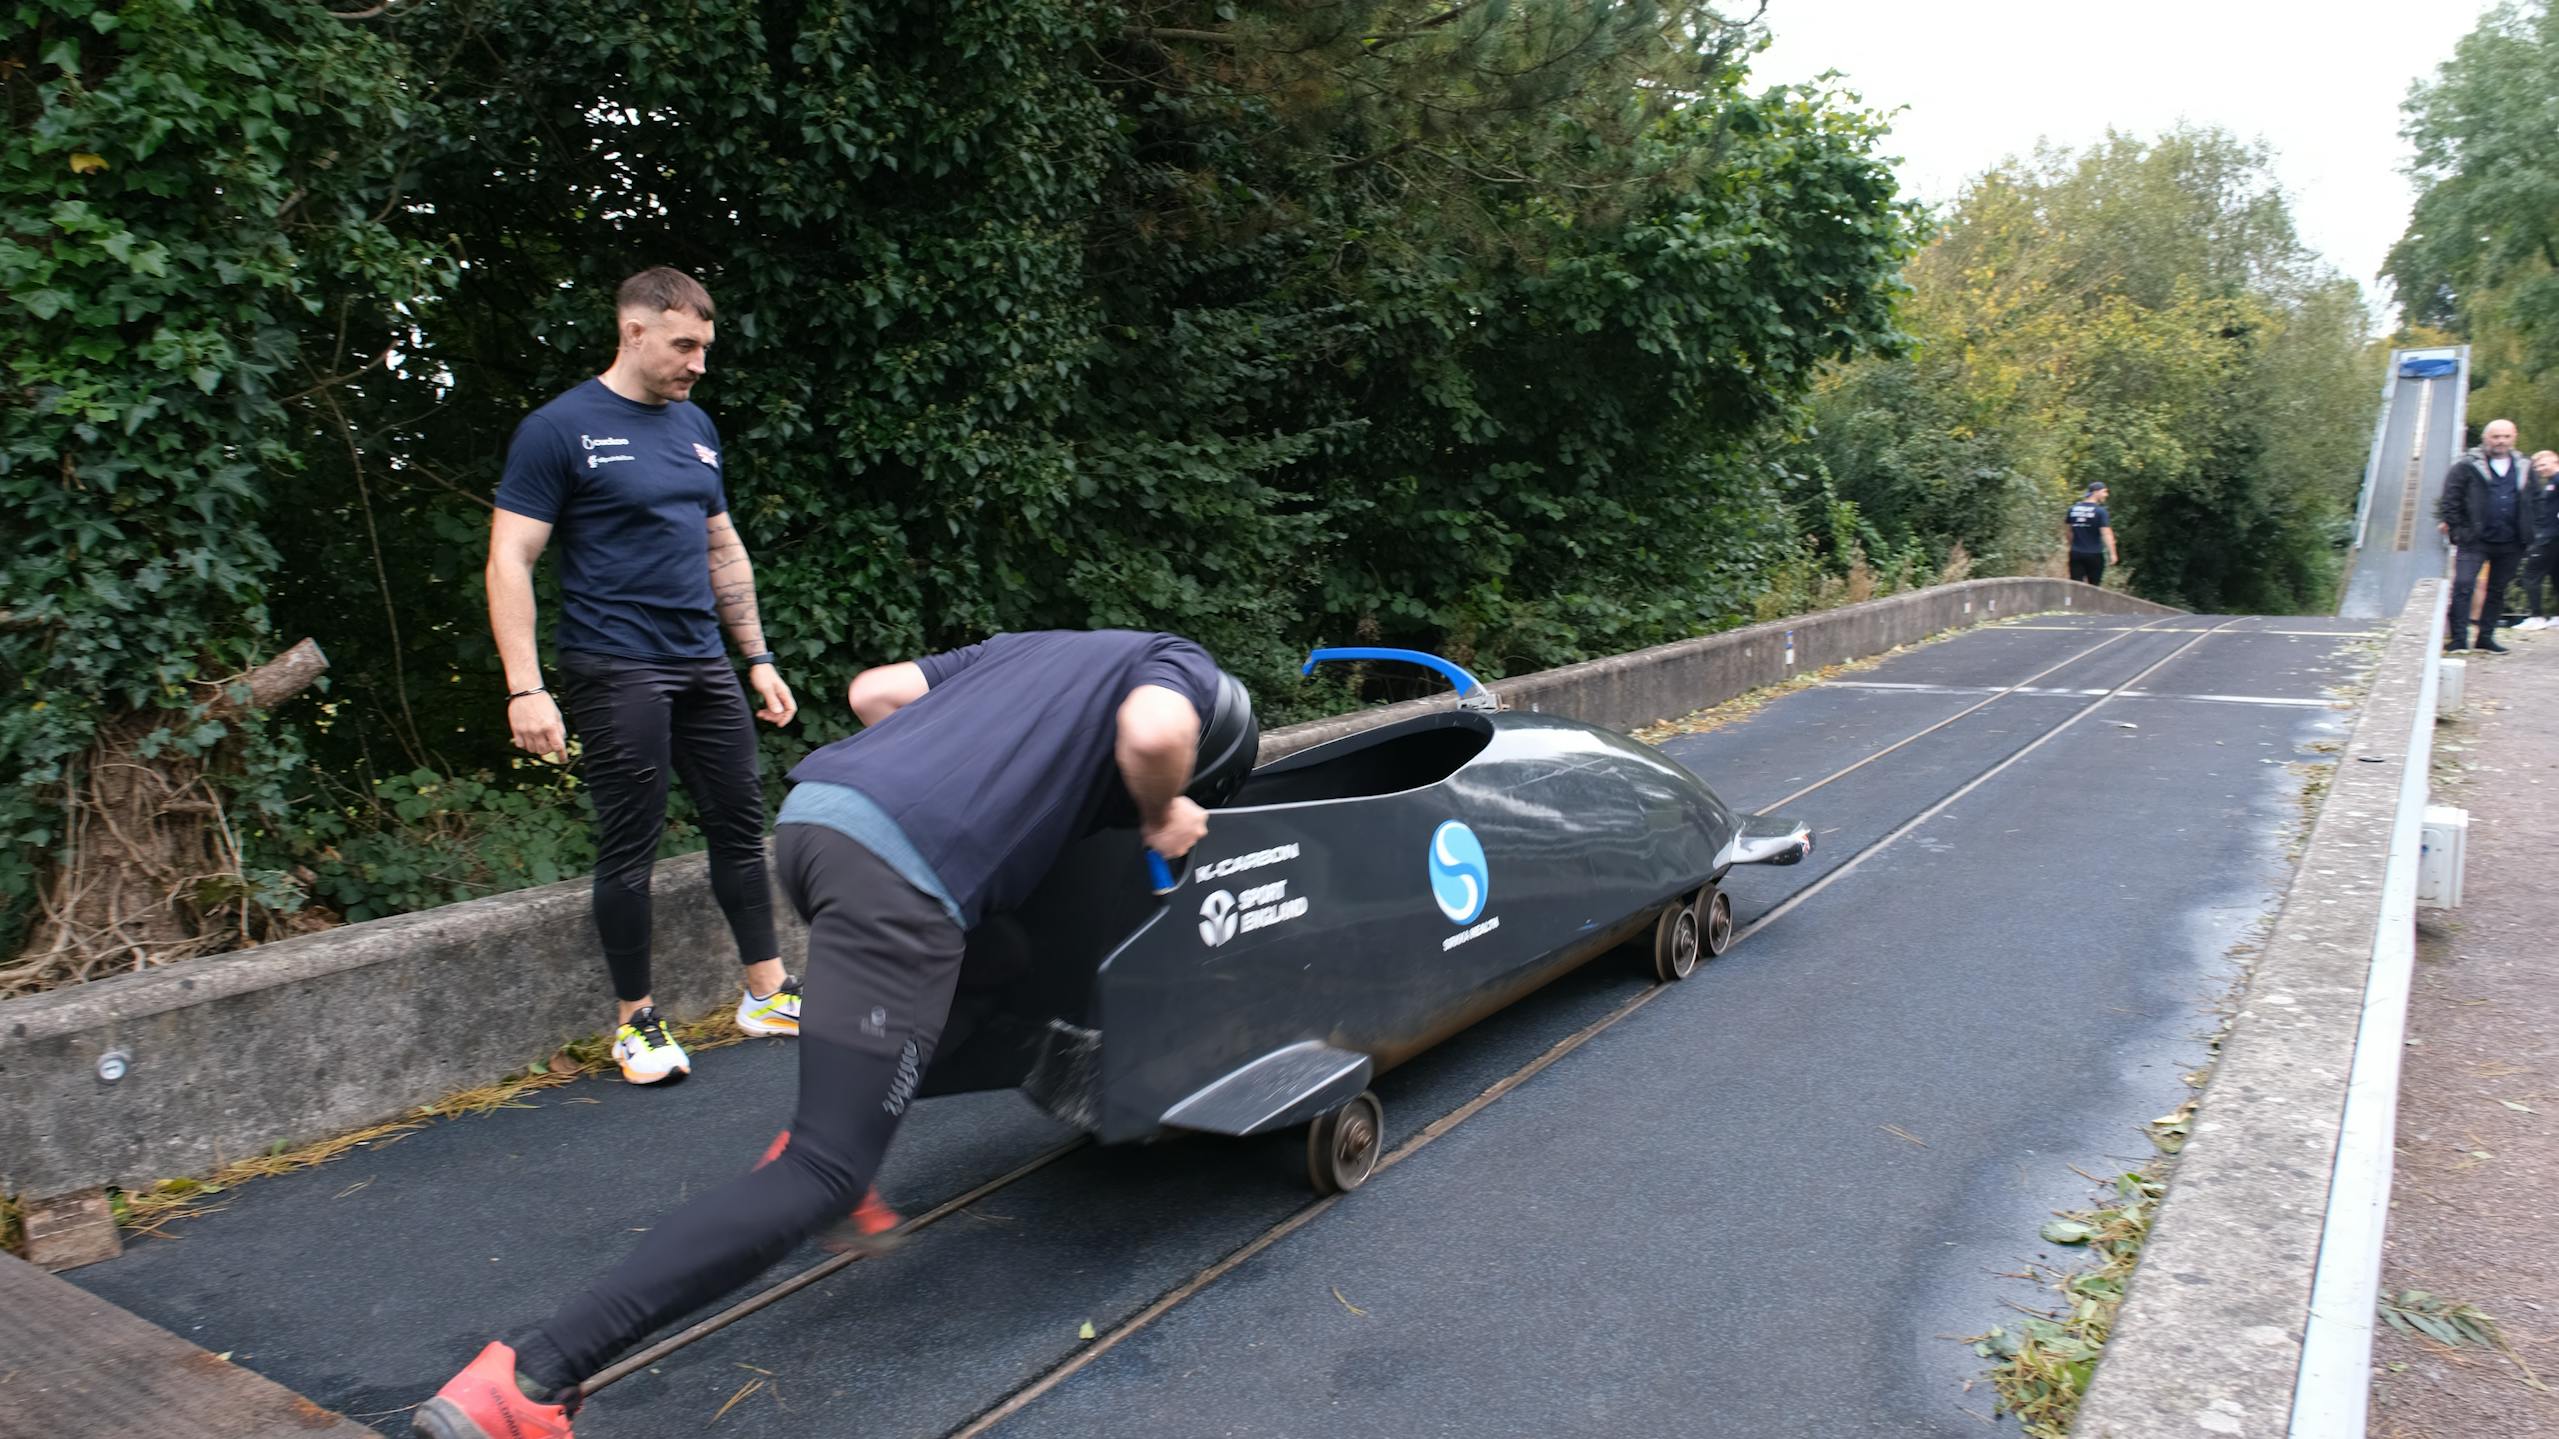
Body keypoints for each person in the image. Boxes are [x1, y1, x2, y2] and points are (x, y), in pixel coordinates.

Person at [411, 629, 1261, 1439]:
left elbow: (873, 693)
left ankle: (837, 1133)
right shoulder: (1174, 662)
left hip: (820, 819)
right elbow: (1153, 736)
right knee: (822, 1168)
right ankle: (526, 1379)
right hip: (898, 878)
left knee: (998, 954)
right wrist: (1162, 809)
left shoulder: (1040, 650)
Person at [485, 267, 803, 1085]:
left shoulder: (695, 427)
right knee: (632, 841)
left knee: (740, 820)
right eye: (683, 344)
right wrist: (525, 686)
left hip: (702, 658)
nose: (698, 362)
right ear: (633, 332)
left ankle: (765, 992)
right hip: (615, 661)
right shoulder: (559, 429)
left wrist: (758, 657)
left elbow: (722, 546)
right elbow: (510, 557)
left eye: (704, 346)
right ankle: (636, 1023)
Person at [2438, 419, 2534, 653]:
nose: (2501, 441)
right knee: (2463, 586)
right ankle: (2459, 638)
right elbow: (2450, 501)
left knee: (2497, 590)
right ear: (2485, 439)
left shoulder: (2524, 466)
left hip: (2511, 541)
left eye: (2506, 436)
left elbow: (2535, 501)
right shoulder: (2466, 466)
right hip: (2474, 540)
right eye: (2496, 437)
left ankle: (2486, 637)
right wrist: (2459, 530)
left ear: (2514, 437)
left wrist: (2531, 532)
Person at [2517, 450, 2559, 630]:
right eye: (2537, 467)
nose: (2540, 469)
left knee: (2531, 575)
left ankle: (2536, 616)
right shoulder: (2551, 483)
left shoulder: (2556, 480)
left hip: (2549, 537)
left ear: (2555, 461)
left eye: (2543, 464)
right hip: (2551, 536)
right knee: (2556, 576)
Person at [2065, 482, 2118, 586]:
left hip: (2076, 553)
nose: (2106, 495)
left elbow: (2069, 532)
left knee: (2075, 585)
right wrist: (2113, 553)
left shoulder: (2073, 509)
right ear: (2095, 492)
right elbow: (2106, 533)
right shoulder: (2100, 512)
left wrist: (2073, 546)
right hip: (2094, 554)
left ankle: (2073, 602)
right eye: (2104, 492)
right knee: (2094, 587)